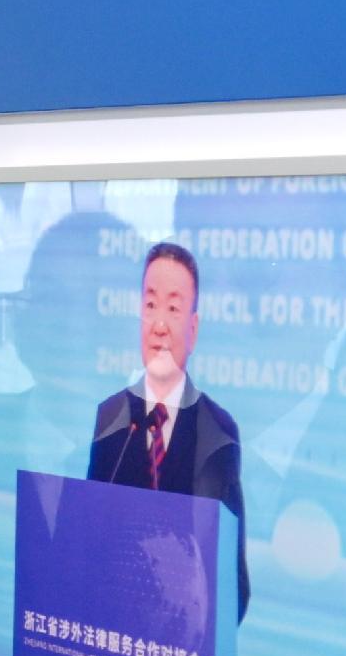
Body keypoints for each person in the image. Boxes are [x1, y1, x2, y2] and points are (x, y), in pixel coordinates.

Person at [86, 240, 250, 619]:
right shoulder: (110, 418)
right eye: (150, 305)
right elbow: (88, 545)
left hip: (179, 651)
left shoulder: (218, 433)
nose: (159, 325)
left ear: (192, 329)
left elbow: (234, 586)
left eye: (173, 309)